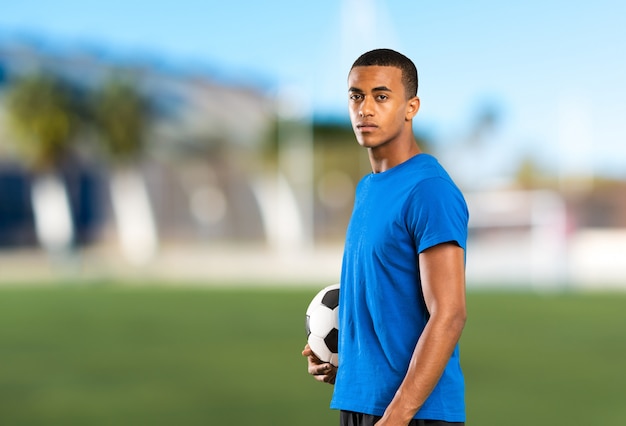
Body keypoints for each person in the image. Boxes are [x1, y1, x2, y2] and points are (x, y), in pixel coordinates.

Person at [302, 48, 469, 426]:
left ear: (411, 107)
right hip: (364, 405)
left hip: (414, 414)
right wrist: (344, 370)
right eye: (356, 96)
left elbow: (450, 313)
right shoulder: (368, 189)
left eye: (381, 96)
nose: (365, 109)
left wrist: (397, 416)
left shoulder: (429, 190)